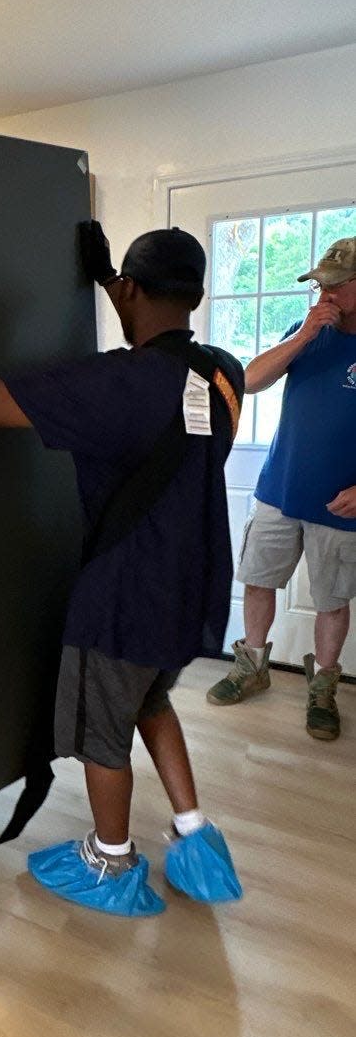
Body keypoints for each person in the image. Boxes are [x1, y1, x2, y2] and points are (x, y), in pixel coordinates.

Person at [0, 223, 245, 917]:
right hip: (192, 591)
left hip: (124, 596)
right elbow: (167, 416)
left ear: (131, 289)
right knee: (150, 702)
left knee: (104, 730)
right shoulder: (222, 372)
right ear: (197, 293)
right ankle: (194, 835)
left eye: (120, 288)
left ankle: (111, 860)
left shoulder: (112, 384)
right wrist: (107, 282)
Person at [208, 236, 356, 740]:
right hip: (279, 490)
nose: (325, 293)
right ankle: (252, 666)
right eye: (320, 283)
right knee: (257, 582)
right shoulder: (308, 329)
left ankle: (323, 690)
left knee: (332, 600)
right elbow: (249, 381)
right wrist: (305, 334)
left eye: (336, 285)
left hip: (341, 505)